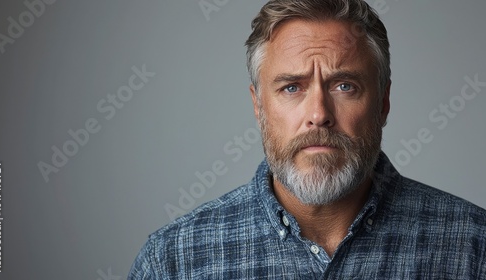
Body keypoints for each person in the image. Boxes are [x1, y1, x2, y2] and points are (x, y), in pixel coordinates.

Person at [128, 0, 486, 278]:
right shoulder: (174, 260)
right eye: (291, 87)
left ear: (383, 103)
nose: (319, 113)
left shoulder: (475, 247)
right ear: (258, 105)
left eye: (345, 86)